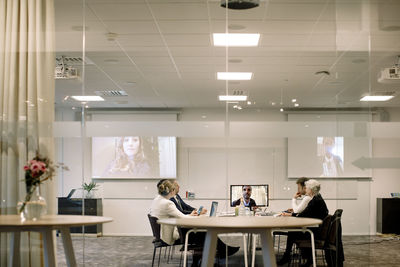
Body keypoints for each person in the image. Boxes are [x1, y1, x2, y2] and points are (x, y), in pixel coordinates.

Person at [150, 179, 239, 266]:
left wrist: (194, 214)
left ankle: (211, 255)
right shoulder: (168, 203)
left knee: (202, 232)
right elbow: (183, 217)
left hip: (160, 235)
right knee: (204, 233)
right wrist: (194, 215)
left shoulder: (157, 200)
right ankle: (207, 258)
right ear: (172, 190)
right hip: (169, 236)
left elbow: (182, 213)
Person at [278, 179, 329, 267]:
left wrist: (290, 214)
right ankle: (307, 259)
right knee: (293, 233)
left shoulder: (315, 201)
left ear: (311, 190)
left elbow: (301, 215)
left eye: (307, 188)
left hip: (316, 233)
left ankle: (287, 257)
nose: (305, 190)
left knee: (292, 233)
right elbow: (304, 214)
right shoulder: (317, 198)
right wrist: (293, 214)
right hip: (317, 230)